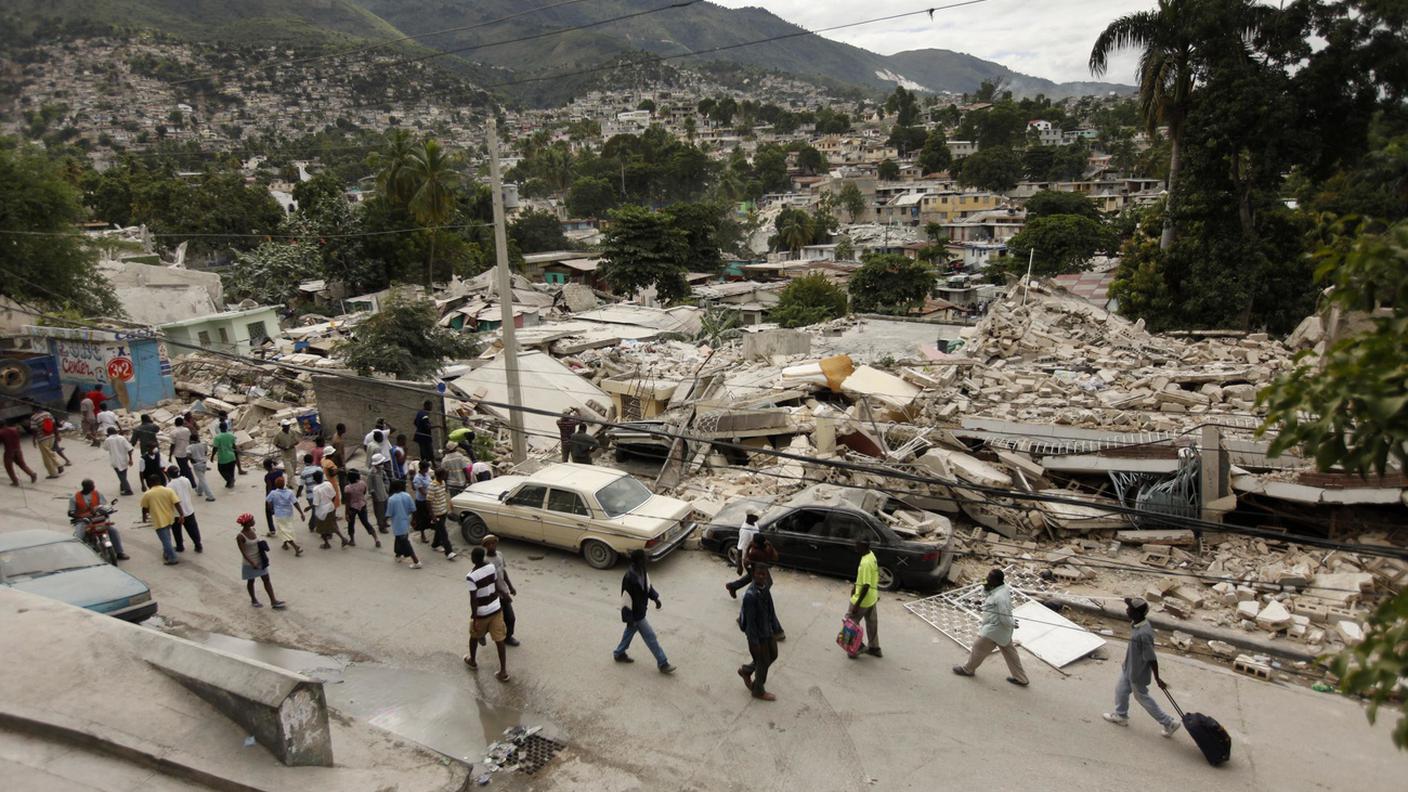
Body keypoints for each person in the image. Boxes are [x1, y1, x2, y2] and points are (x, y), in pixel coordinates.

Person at [1103, 597, 1181, 737]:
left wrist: (1157, 678)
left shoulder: (1144, 633)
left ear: (1138, 614)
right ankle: (1121, 716)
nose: (1127, 610)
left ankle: (1169, 722)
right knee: (1120, 689)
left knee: (1142, 698)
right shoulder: (1136, 623)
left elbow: (1151, 658)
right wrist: (1129, 600)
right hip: (1128, 667)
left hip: (1137, 673)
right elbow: (1133, 606)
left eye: (1130, 609)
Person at [952, 568, 1028, 686]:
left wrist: (1012, 623)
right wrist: (985, 585)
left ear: (996, 581)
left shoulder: (1000, 597)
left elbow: (1004, 616)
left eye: (989, 578)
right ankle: (1021, 678)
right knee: (1010, 653)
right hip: (1002, 630)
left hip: (994, 629)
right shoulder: (1001, 588)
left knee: (978, 647)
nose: (986, 579)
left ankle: (968, 669)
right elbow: (987, 595)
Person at [614, 549, 676, 673]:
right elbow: (626, 599)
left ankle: (619, 653)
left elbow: (648, 587)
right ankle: (663, 663)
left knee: (629, 633)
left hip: (639, 612)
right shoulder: (629, 577)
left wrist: (655, 598)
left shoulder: (642, 571)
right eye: (644, 558)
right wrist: (629, 618)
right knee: (651, 637)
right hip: (636, 615)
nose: (646, 560)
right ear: (638, 561)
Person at [465, 546, 510, 682]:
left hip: (482, 612)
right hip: (496, 609)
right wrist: (504, 594)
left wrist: (475, 617)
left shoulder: (471, 577)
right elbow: (496, 585)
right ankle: (503, 671)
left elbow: (473, 599)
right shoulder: (491, 567)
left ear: (473, 559)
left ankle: (472, 661)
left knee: (474, 636)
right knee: (499, 640)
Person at [738, 563, 782, 701]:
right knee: (762, 661)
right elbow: (750, 624)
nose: (762, 577)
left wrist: (776, 629)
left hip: (768, 630)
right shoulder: (750, 596)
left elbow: (771, 611)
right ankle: (758, 690)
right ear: (753, 575)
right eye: (759, 574)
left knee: (773, 655)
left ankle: (747, 670)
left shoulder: (765, 589)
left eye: (764, 574)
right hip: (758, 636)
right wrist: (754, 643)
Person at [236, 513, 285, 609]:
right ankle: (253, 599)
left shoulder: (253, 530)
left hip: (260, 559)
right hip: (249, 563)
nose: (254, 521)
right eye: (252, 520)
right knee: (251, 581)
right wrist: (251, 562)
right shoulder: (240, 537)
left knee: (266, 579)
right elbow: (243, 553)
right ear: (246, 523)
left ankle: (273, 601)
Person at [71, 479, 128, 560]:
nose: (94, 487)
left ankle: (119, 552)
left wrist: (107, 510)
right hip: (84, 521)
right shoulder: (74, 498)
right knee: (79, 536)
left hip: (97, 519)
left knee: (113, 531)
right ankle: (80, 557)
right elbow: (71, 511)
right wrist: (76, 515)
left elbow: (104, 505)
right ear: (85, 487)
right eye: (92, 485)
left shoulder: (97, 494)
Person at [847, 537, 882, 659]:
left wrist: (857, 604)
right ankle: (874, 648)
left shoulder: (866, 563)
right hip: (872, 597)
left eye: (857, 546)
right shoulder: (871, 555)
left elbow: (866, 585)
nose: (855, 548)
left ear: (864, 546)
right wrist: (855, 585)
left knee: (850, 622)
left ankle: (857, 647)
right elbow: (865, 579)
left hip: (864, 598)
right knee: (872, 622)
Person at [483, 535, 519, 646]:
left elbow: (503, 572)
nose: (491, 546)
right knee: (492, 619)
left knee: (510, 618)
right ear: (485, 546)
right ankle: (480, 634)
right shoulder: (485, 561)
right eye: (488, 544)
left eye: (493, 543)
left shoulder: (499, 555)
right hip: (493, 595)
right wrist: (503, 594)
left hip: (504, 591)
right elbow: (490, 581)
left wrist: (510, 587)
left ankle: (508, 637)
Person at [139, 473, 181, 565]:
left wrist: (144, 517)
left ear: (149, 483)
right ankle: (167, 553)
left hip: (158, 519)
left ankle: (172, 558)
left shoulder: (148, 494)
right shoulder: (168, 491)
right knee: (168, 537)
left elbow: (144, 508)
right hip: (169, 518)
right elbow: (177, 503)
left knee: (165, 540)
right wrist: (181, 515)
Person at [164, 465, 203, 553]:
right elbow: (189, 491)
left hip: (177, 513)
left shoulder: (169, 486)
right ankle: (198, 544)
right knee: (193, 529)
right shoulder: (186, 480)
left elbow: (170, 500)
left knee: (177, 531)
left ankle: (180, 546)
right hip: (189, 509)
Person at [385, 478, 422, 569]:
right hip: (406, 520)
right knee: (399, 538)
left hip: (398, 523)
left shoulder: (391, 499)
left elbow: (389, 513)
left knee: (405, 542)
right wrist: (414, 520)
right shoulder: (407, 495)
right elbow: (414, 509)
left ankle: (416, 561)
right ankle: (398, 554)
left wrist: (383, 521)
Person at [265, 475, 305, 556]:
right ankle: (285, 544)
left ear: (276, 485)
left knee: (284, 531)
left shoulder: (273, 493)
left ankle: (296, 547)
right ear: (284, 484)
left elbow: (268, 503)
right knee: (286, 529)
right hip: (289, 514)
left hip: (279, 515)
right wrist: (301, 513)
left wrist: (271, 509)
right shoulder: (289, 492)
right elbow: (295, 503)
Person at [310, 469, 349, 550]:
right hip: (330, 507)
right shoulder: (328, 483)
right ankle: (342, 538)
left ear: (314, 480)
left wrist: (309, 507)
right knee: (333, 525)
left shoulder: (316, 489)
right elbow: (333, 495)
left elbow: (316, 503)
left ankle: (327, 543)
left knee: (321, 529)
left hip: (322, 511)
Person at [343, 469, 379, 548]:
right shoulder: (362, 483)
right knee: (366, 522)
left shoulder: (348, 488)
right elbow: (364, 492)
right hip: (362, 504)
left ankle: (352, 540)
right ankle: (376, 538)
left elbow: (347, 502)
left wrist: (346, 513)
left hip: (352, 507)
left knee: (351, 524)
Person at [427, 467, 456, 560]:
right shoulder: (432, 486)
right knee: (444, 533)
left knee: (440, 529)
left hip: (443, 510)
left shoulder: (443, 483)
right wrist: (432, 516)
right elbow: (428, 501)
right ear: (441, 475)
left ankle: (435, 544)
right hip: (437, 513)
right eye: (445, 474)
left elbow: (443, 496)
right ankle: (449, 552)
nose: (446, 476)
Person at [729, 513, 760, 593]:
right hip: (749, 559)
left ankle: (733, 586)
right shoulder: (745, 531)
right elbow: (740, 548)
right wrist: (740, 566)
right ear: (750, 517)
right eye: (756, 516)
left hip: (756, 556)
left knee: (753, 576)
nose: (758, 517)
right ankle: (751, 595)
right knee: (759, 579)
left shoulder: (754, 524)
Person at [30, 407, 63, 478]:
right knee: (50, 452)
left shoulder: (34, 417)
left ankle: (55, 472)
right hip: (51, 436)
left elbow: (34, 430)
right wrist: (57, 434)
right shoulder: (48, 414)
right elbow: (54, 425)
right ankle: (57, 467)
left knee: (46, 457)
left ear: (34, 409)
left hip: (42, 438)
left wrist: (34, 440)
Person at [187, 429, 216, 501]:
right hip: (204, 463)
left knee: (203, 480)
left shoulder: (190, 447)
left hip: (197, 464)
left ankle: (210, 496)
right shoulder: (203, 444)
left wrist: (192, 460)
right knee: (201, 478)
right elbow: (206, 452)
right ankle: (199, 491)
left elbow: (188, 455)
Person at [212, 423, 241, 488]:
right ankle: (230, 482)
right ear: (226, 427)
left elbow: (215, 448)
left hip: (223, 457)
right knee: (231, 471)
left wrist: (212, 456)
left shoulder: (217, 437)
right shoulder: (231, 435)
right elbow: (234, 446)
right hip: (231, 456)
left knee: (221, 470)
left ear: (219, 428)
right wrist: (237, 452)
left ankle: (230, 480)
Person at [368, 453, 392, 533]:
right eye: (380, 463)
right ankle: (381, 526)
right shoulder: (371, 473)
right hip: (378, 496)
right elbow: (370, 487)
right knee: (379, 512)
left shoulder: (382, 471)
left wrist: (387, 488)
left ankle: (385, 522)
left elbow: (386, 480)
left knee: (386, 510)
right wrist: (374, 496)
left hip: (384, 493)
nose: (382, 465)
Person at [297, 453, 321, 531]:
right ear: (313, 460)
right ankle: (313, 525)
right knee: (317, 510)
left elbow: (301, 486)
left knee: (315, 510)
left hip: (310, 495)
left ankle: (312, 525)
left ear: (304, 462)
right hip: (320, 493)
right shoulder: (319, 469)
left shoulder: (304, 472)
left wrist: (297, 496)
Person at [411, 460, 432, 543]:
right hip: (422, 501)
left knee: (430, 516)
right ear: (423, 468)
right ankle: (423, 535)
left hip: (428, 499)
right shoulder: (417, 478)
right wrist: (432, 495)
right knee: (422, 519)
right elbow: (422, 491)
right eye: (427, 468)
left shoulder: (427, 475)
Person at [262, 458, 283, 536]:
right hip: (280, 494)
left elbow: (269, 488)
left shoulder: (268, 476)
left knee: (268, 512)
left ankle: (272, 530)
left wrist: (268, 500)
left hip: (272, 495)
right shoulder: (279, 472)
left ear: (266, 467)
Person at [169, 416, 193, 482]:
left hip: (179, 453)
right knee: (184, 466)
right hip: (187, 451)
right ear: (182, 423)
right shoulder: (187, 430)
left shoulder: (173, 432)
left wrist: (170, 455)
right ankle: (181, 478)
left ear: (175, 423)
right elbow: (190, 439)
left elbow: (172, 445)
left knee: (185, 468)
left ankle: (192, 483)